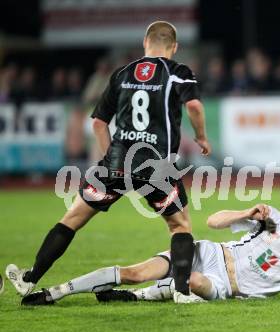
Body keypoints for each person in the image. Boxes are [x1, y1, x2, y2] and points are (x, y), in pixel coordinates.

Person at [6, 21, 211, 304]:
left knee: (72, 219)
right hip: (156, 168)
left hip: (115, 164)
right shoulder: (177, 72)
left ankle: (30, 279)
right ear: (174, 47)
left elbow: (99, 122)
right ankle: (181, 291)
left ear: (145, 42)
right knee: (180, 227)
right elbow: (195, 106)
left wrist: (110, 160)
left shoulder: (122, 73)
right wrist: (201, 137)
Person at [20, 184, 280, 306]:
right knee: (139, 269)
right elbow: (212, 222)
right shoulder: (269, 216)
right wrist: (248, 210)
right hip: (211, 251)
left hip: (227, 284)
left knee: (197, 284)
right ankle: (54, 293)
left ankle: (140, 298)